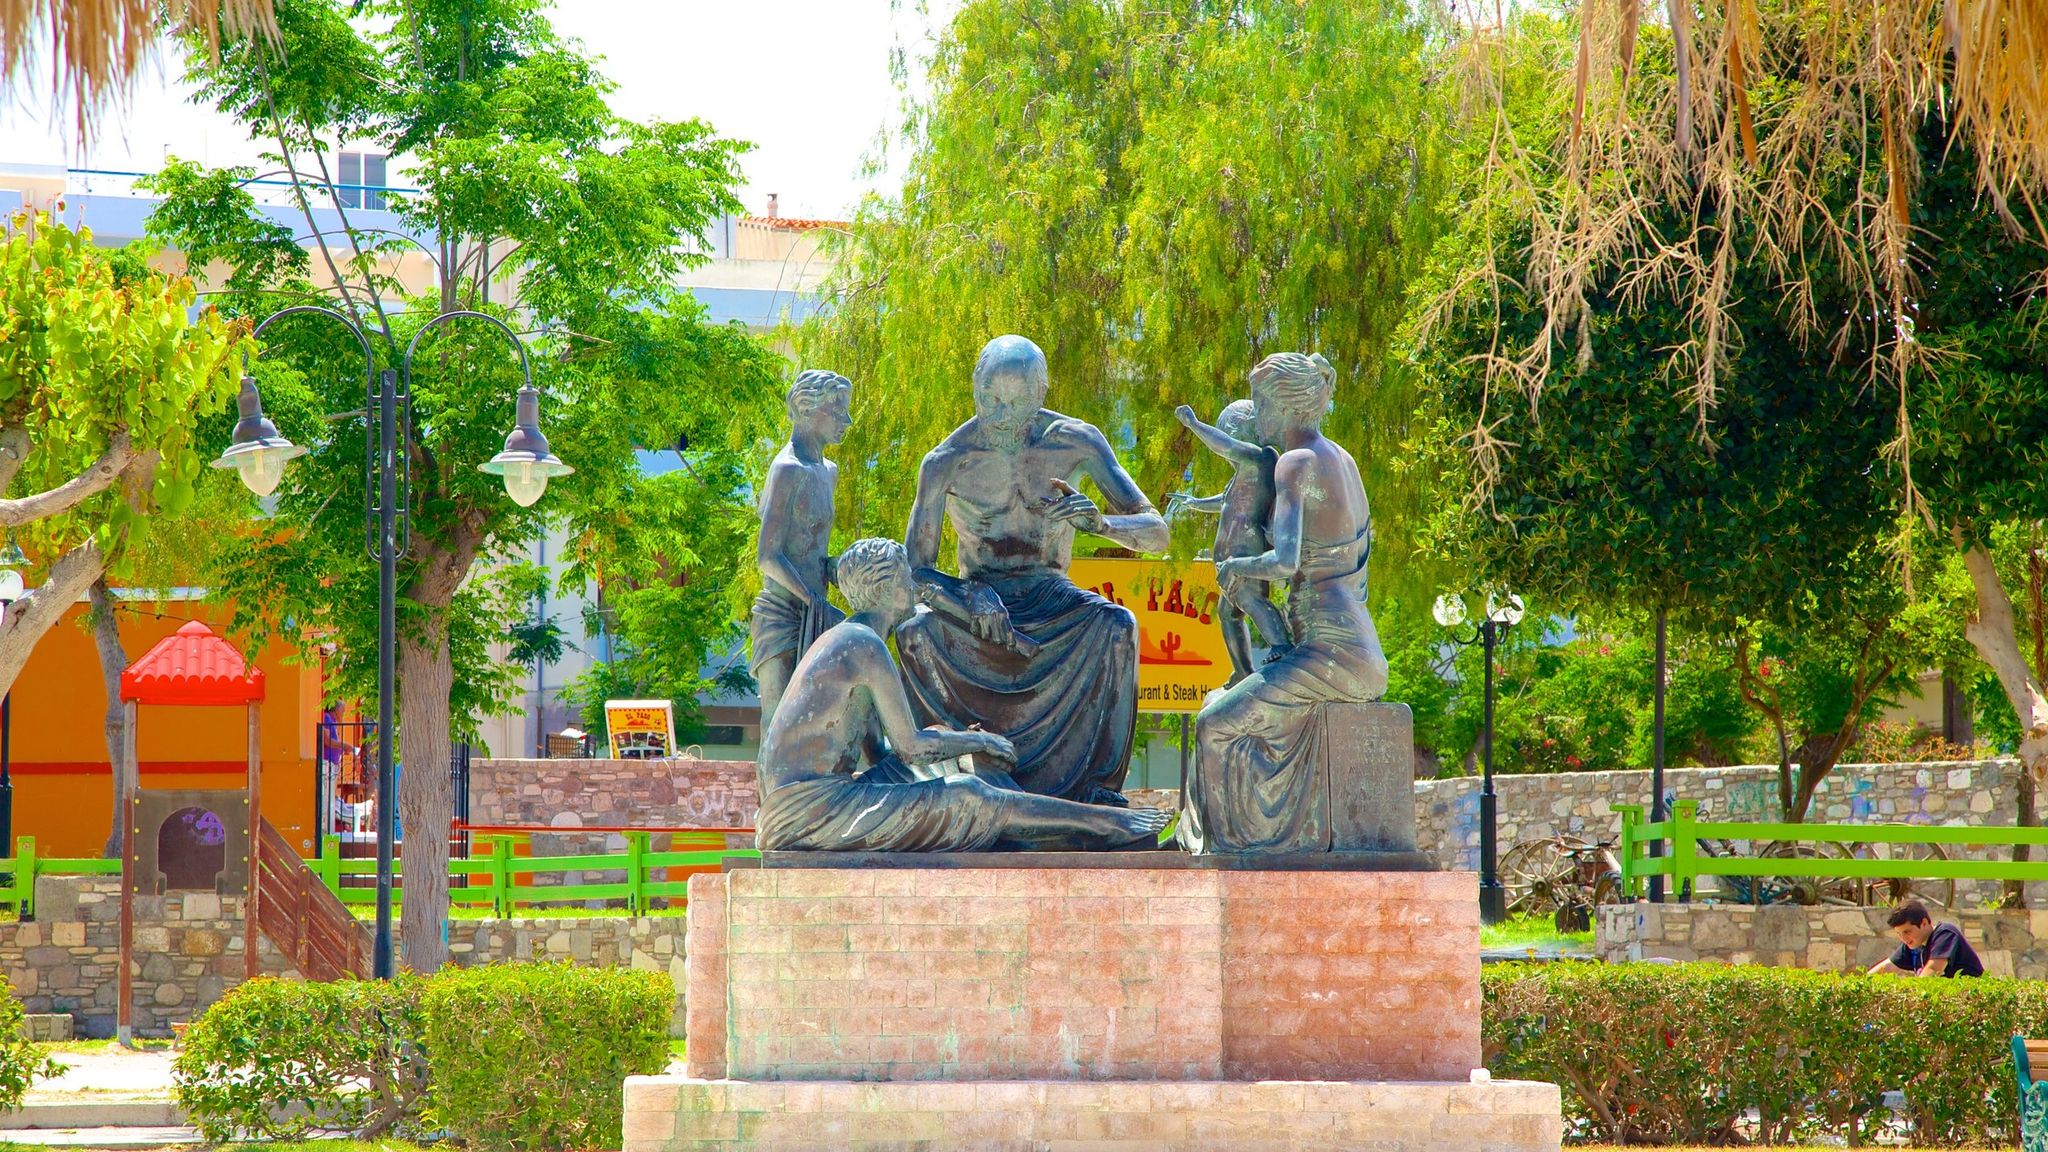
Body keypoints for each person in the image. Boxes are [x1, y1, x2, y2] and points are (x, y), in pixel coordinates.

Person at [756, 538, 1173, 853]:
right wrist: (980, 741)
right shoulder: (863, 645)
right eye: (904, 577)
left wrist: (956, 748)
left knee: (957, 761)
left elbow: (880, 754)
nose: (913, 585)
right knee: (968, 796)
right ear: (883, 588)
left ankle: (1041, 832)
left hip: (823, 799)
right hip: (809, 812)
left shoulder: (852, 639)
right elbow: (911, 748)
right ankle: (1104, 824)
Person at [896, 335, 1170, 805]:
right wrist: (970, 594)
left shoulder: (1076, 441)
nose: (1000, 415)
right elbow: (914, 572)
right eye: (989, 399)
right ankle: (938, 783)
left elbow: (1157, 534)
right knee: (913, 632)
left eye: (1015, 402)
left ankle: (1098, 789)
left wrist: (1102, 525)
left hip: (1051, 595)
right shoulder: (946, 461)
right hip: (979, 603)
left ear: (1040, 393)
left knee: (1117, 626)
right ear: (975, 387)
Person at [1177, 353, 1390, 854]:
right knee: (1228, 709)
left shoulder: (1295, 462)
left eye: (1258, 403)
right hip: (1358, 650)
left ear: (1285, 405)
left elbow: (1286, 560)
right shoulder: (1342, 459)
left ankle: (1235, 851)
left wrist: (1236, 566)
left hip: (1330, 653)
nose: (1255, 415)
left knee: (1213, 726)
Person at [750, 370, 853, 729]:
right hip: (781, 616)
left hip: (816, 612)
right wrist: (814, 600)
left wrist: (846, 571)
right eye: (838, 411)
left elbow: (815, 551)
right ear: (807, 408)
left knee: (816, 723)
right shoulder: (787, 470)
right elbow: (767, 556)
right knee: (778, 723)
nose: (846, 421)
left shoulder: (829, 471)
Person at [1168, 397, 1291, 684]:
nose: (1227, 446)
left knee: (1250, 598)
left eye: (1230, 432)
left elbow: (1225, 446)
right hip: (1230, 556)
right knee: (1228, 612)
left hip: (1246, 549)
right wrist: (1195, 503)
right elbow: (1224, 502)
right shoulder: (1242, 472)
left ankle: (1281, 644)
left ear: (1247, 429)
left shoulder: (1262, 456)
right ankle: (1242, 669)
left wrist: (1194, 424)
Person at [1868, 900, 1984, 978]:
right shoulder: (1913, 943)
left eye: (1907, 932)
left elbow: (1933, 970)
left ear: (1924, 923)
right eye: (1899, 934)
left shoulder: (1945, 933)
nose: (1903, 938)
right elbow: (1886, 967)